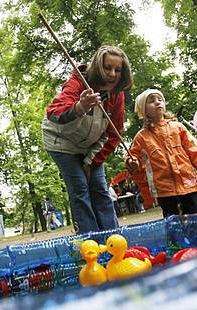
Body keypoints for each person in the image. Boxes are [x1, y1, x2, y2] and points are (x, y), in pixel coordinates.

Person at [42, 45, 134, 233]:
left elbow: (114, 133)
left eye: (118, 70)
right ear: (99, 66)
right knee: (80, 189)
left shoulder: (117, 95)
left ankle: (113, 239)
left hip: (90, 145)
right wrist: (80, 107)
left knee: (100, 188)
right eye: (108, 67)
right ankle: (90, 242)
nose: (112, 74)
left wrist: (92, 161)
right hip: (62, 143)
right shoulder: (78, 81)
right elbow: (54, 111)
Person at [126, 88, 197, 218]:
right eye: (151, 101)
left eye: (160, 99)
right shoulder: (141, 137)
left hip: (188, 183)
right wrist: (132, 163)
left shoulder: (177, 127)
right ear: (143, 111)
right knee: (173, 221)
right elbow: (133, 157)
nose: (157, 102)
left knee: (196, 217)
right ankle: (176, 239)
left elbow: (194, 150)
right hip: (164, 190)